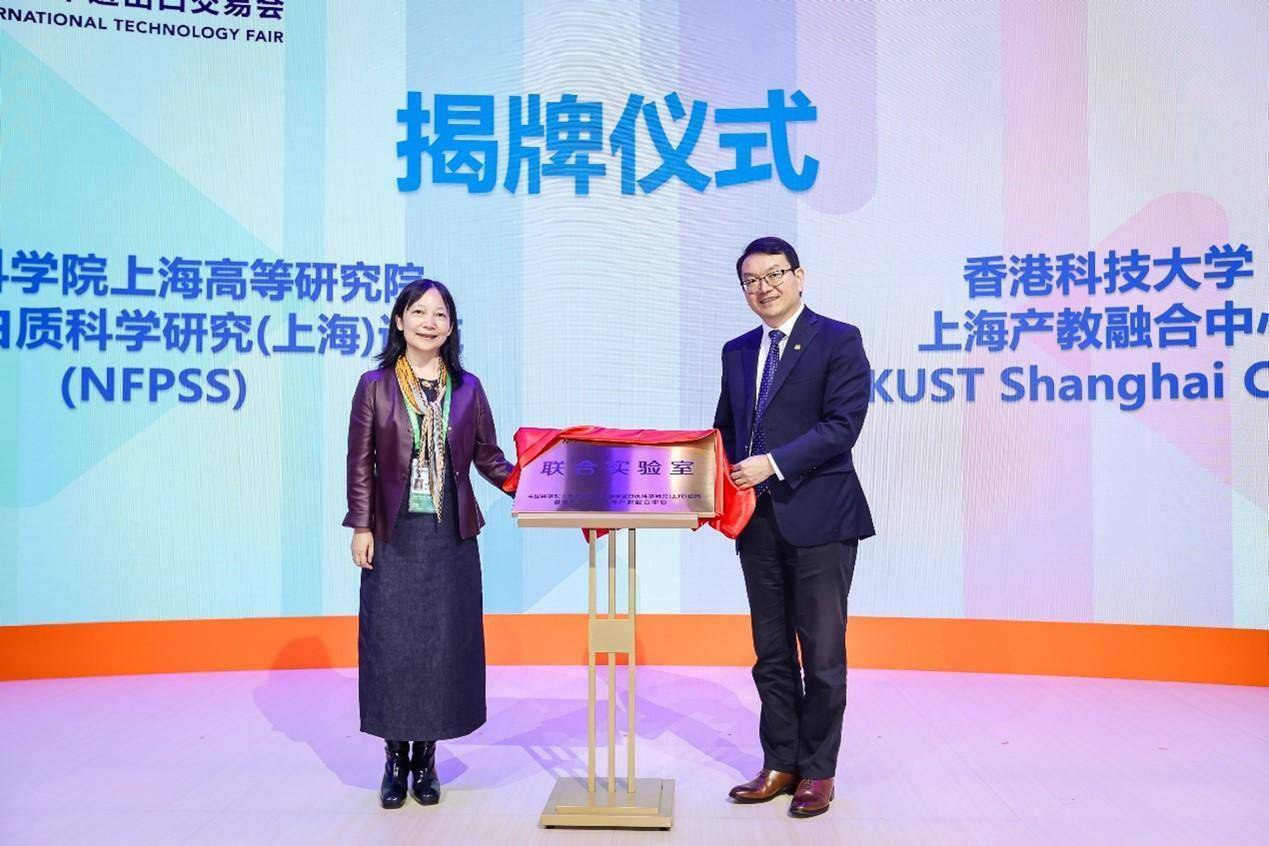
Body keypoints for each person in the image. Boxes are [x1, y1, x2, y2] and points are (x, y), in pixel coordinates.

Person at [713, 236, 875, 818]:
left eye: (774, 275)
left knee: (823, 654)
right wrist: (703, 488)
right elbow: (724, 431)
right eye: (751, 280)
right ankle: (779, 762)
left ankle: (818, 770)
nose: (764, 288)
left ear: (799, 277)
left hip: (822, 518)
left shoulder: (838, 339)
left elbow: (842, 425)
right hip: (756, 522)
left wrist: (773, 463)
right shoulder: (737, 351)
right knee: (771, 652)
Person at [343, 278, 514, 808]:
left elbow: (487, 455)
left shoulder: (467, 388)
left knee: (443, 646)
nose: (429, 322)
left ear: (451, 326)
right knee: (393, 645)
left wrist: (532, 484)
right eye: (418, 312)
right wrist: (362, 526)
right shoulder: (374, 385)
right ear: (400, 321)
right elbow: (360, 463)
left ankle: (427, 759)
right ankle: (395, 758)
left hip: (449, 535)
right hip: (393, 534)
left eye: (440, 314)